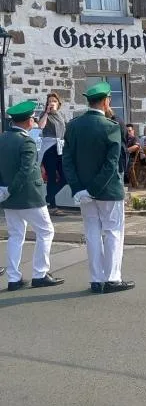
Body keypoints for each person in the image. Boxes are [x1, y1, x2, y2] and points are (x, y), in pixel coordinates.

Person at [63, 82, 134, 294]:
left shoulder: (73, 126)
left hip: (83, 191)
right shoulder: (110, 127)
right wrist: (93, 188)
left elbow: (66, 160)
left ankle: (96, 279)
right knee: (112, 232)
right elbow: (112, 164)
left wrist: (78, 188)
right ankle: (112, 278)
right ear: (106, 101)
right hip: (108, 190)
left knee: (92, 233)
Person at [0, 100, 64, 291]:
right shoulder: (26, 140)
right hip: (29, 195)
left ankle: (13, 278)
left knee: (15, 235)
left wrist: (4, 188)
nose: (34, 121)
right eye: (32, 119)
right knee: (46, 231)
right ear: (28, 121)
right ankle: (40, 273)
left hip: (9, 197)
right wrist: (12, 188)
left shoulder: (3, 138)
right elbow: (26, 170)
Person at [37, 92, 68, 216]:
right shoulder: (44, 115)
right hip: (49, 148)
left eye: (54, 101)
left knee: (65, 177)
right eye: (50, 101)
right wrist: (46, 113)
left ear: (58, 103)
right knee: (51, 177)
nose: (52, 103)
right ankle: (52, 207)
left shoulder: (61, 115)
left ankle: (46, 200)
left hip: (60, 148)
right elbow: (41, 126)